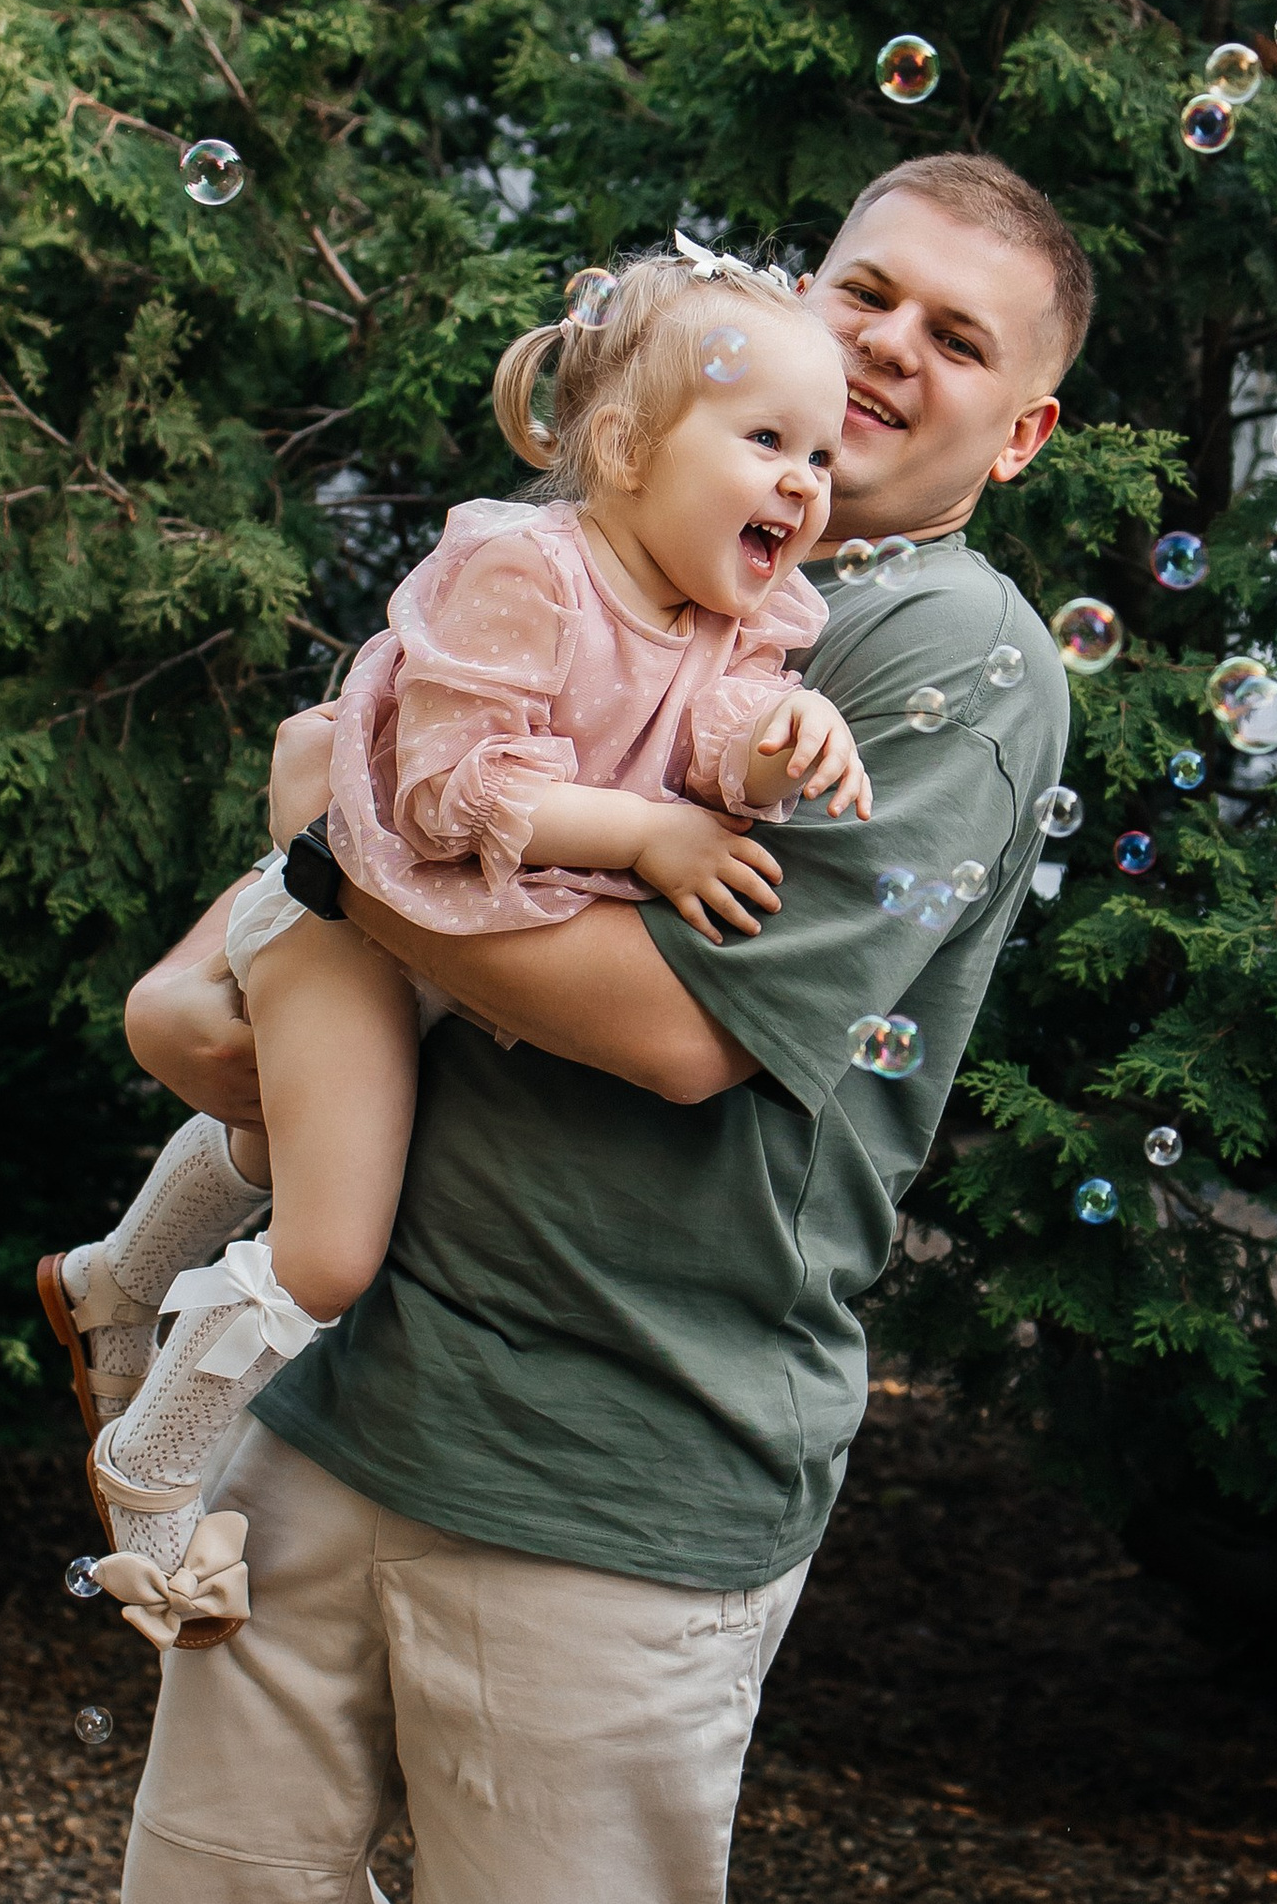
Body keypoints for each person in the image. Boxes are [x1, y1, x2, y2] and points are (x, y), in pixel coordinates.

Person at [0, 152, 1092, 1904]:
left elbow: (666, 1019)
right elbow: (361, 860)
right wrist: (360, 835)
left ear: (1022, 430)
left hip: (630, 1460)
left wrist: (343, 834)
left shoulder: (932, 653)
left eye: (957, 339)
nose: (887, 354)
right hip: (351, 1386)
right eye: (862, 293)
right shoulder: (616, 562)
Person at [45, 248, 872, 1639]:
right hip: (352, 927)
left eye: (822, 456)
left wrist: (796, 740)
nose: (803, 483)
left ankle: (113, 1283)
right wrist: (648, 836)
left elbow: (724, 745)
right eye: (766, 441)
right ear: (625, 450)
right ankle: (151, 1468)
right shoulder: (524, 571)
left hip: (461, 945)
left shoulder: (734, 620)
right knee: (329, 1246)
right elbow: (445, 792)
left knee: (290, 1137)